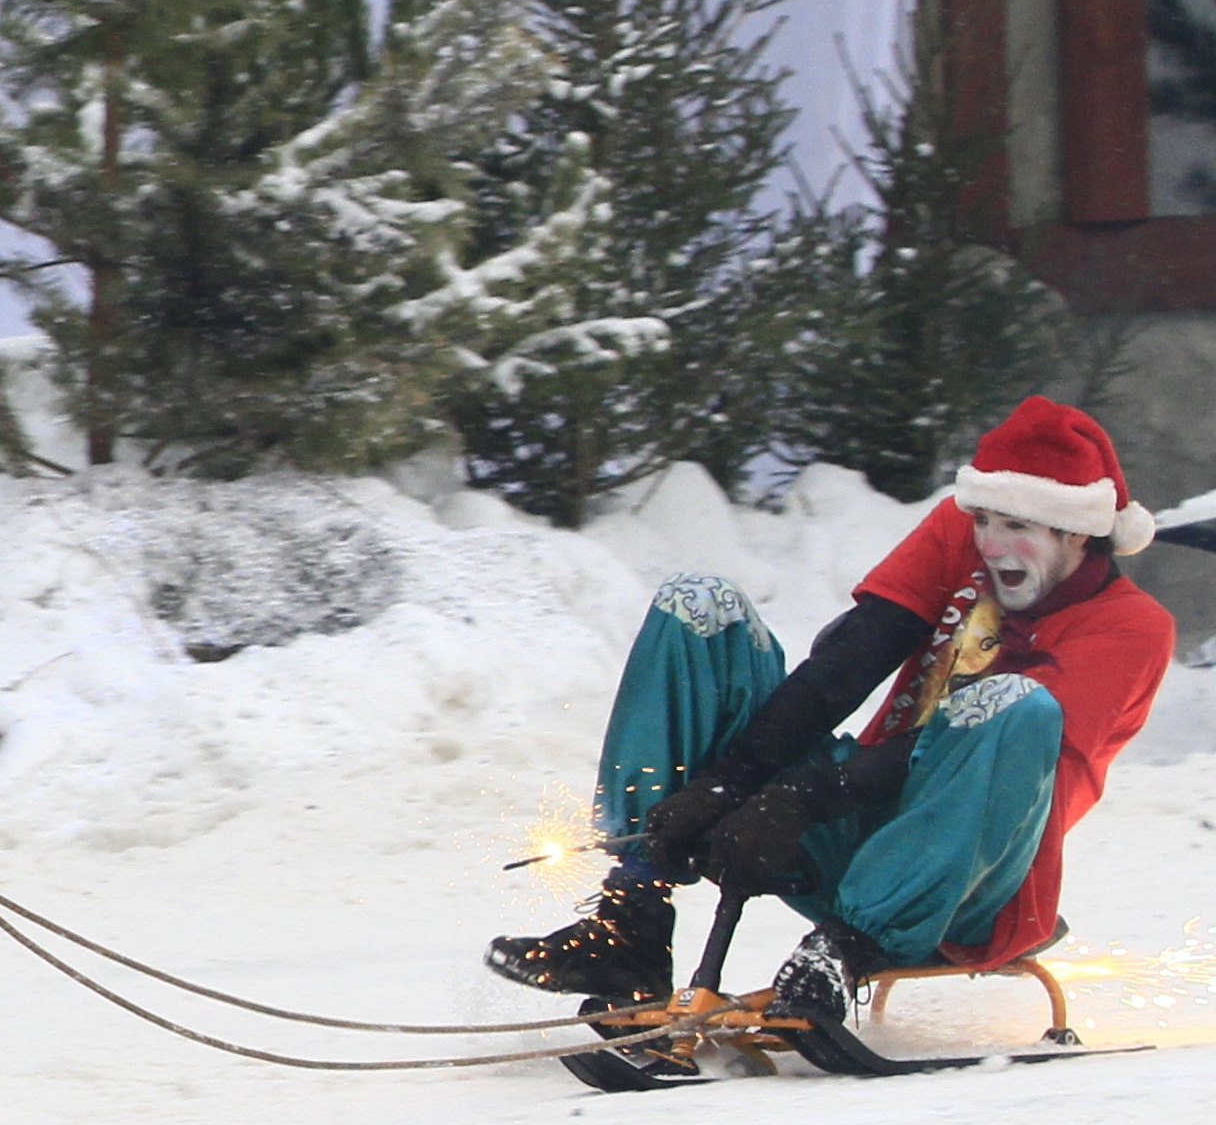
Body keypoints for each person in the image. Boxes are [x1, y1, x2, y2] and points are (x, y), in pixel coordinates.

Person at [490, 396, 1177, 1048]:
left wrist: (804, 798)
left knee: (1012, 703)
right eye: (985, 523)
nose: (992, 544)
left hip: (965, 877)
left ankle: (845, 953)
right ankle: (630, 918)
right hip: (846, 826)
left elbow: (984, 749)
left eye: (1017, 529)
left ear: (1077, 533)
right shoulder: (957, 532)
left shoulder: (1133, 630)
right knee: (697, 604)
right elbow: (854, 658)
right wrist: (734, 783)